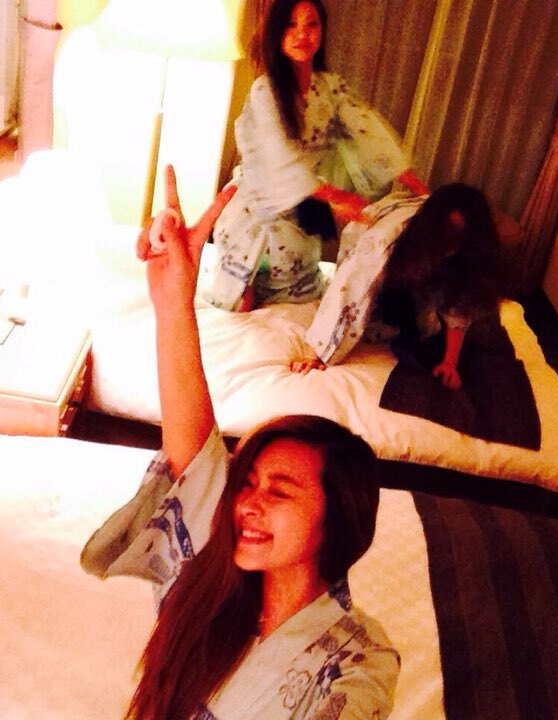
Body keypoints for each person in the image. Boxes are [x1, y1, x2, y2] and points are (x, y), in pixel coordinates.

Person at [81, 166, 399, 719]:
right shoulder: (216, 577)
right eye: (248, 484)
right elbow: (193, 457)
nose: (248, 502)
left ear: (337, 514)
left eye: (281, 491)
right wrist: (173, 301)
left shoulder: (356, 658)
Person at [206, 0, 427, 312]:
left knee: (296, 298)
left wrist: (419, 188)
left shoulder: (330, 87)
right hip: (257, 206)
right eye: (291, 25)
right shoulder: (264, 91)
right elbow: (278, 156)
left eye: (311, 24)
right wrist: (334, 196)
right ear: (277, 33)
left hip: (303, 209)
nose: (302, 34)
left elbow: (368, 131)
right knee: (239, 299)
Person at [292, 183, 502, 390]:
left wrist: (449, 363)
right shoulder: (384, 240)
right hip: (375, 232)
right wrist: (317, 354)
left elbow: (459, 299)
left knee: (422, 324)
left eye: (458, 237)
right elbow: (351, 287)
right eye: (448, 234)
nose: (451, 244)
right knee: (368, 311)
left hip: (417, 255)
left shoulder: (465, 251)